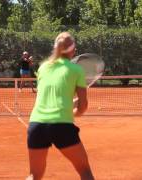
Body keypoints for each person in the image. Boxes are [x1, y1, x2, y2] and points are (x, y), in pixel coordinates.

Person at [26, 32, 94, 180]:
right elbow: (82, 107)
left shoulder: (43, 68)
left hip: (36, 124)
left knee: (34, 175)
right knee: (85, 172)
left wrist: (68, 107)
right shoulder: (76, 70)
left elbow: (50, 98)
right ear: (73, 50)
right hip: (62, 126)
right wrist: (72, 111)